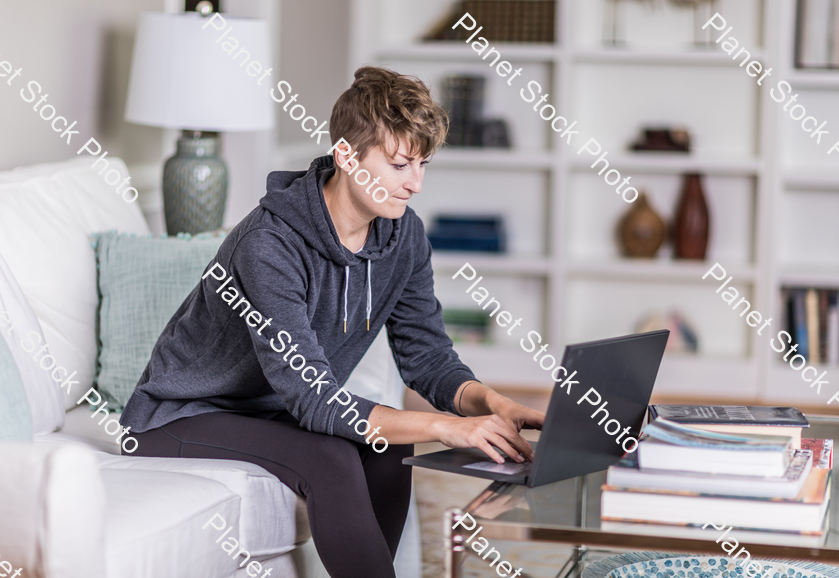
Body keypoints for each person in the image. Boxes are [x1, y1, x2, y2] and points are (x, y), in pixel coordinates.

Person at [119, 66, 545, 578]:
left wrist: (496, 404)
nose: (415, 183)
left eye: (423, 164)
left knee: (387, 452)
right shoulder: (269, 245)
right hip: (178, 416)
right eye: (399, 164)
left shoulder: (402, 235)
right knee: (333, 459)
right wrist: (446, 427)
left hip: (270, 409)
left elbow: (427, 357)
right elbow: (314, 399)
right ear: (347, 155)